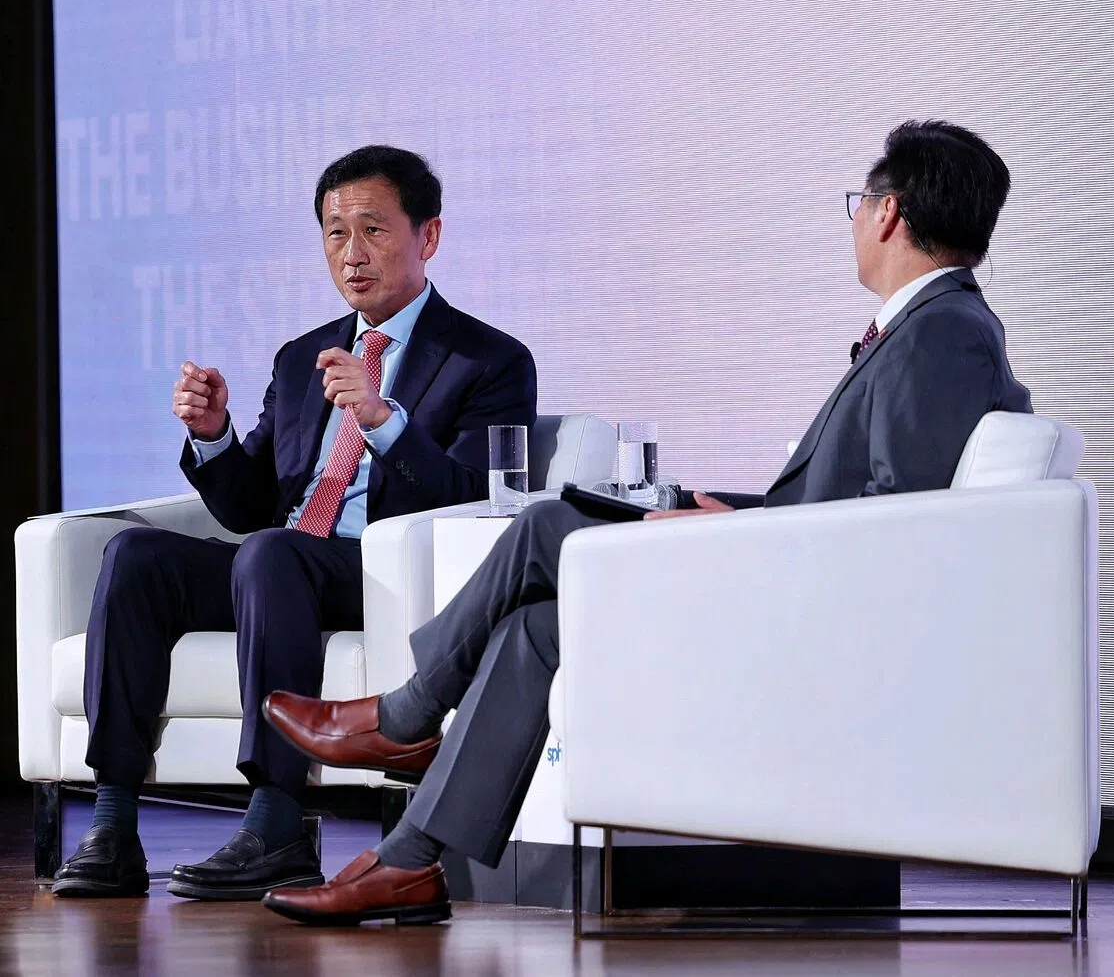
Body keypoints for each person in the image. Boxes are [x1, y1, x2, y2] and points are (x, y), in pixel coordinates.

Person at [259, 119, 1033, 927]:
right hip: (791, 571)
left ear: (889, 212)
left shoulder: (940, 334)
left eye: (859, 203)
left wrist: (725, 537)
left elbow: (895, 529)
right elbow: (859, 505)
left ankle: (403, 715)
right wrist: (730, 512)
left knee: (549, 523)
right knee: (533, 628)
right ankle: (410, 863)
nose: (854, 222)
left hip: (812, 610)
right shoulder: (932, 329)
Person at [51, 145, 538, 901]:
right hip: (279, 567)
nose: (352, 254)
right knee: (138, 556)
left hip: (375, 573)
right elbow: (249, 508)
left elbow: (481, 500)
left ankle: (276, 825)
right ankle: (113, 825)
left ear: (428, 236)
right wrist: (212, 435)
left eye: (374, 230)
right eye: (335, 234)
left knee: (273, 556)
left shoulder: (489, 360)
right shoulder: (302, 356)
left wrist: (387, 423)